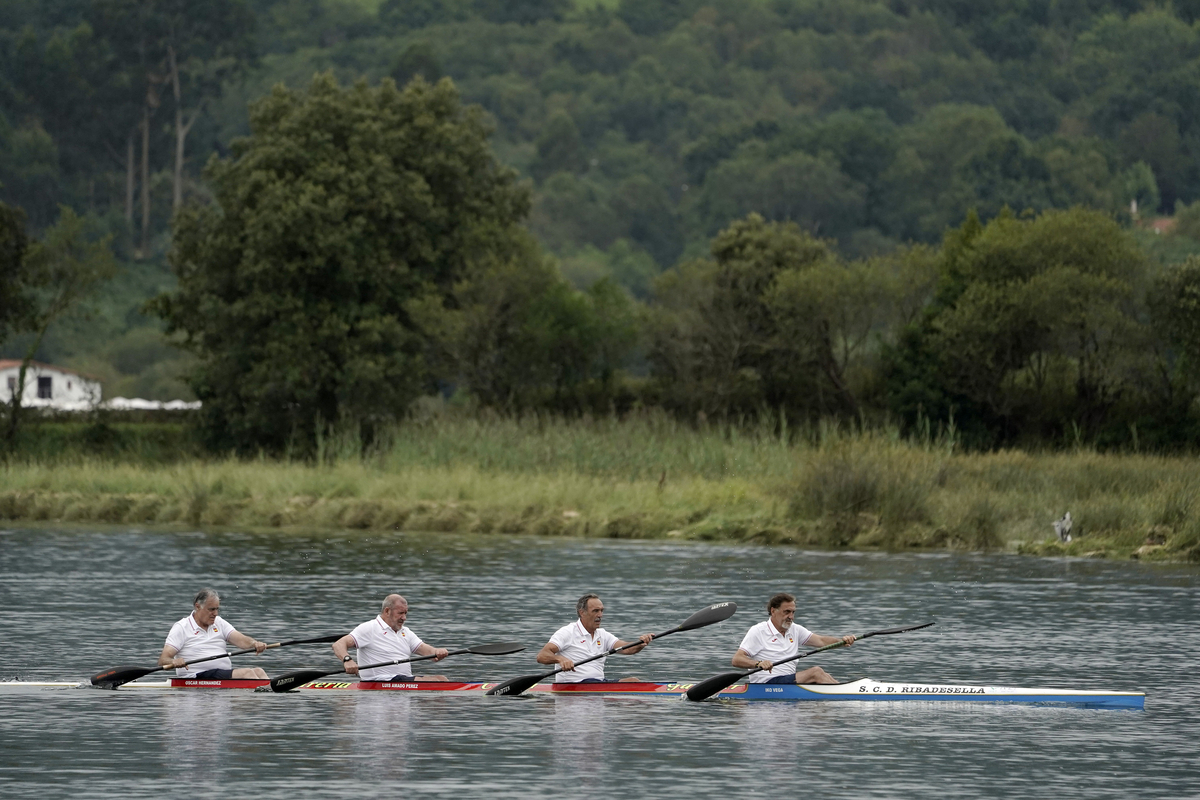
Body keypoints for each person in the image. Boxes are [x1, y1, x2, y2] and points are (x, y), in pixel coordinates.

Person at [732, 593, 856, 685]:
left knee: (824, 675)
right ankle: (847, 692)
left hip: (789, 681)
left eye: (793, 612)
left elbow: (821, 641)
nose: (791, 617)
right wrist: (758, 663)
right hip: (766, 683)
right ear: (773, 611)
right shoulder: (758, 631)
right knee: (816, 672)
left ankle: (845, 690)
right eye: (787, 612)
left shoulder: (795, 629)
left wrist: (842, 641)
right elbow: (737, 659)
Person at [536, 593, 654, 683]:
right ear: (582, 613)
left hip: (598, 684)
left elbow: (628, 649)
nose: (600, 615)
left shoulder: (603, 635)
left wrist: (640, 643)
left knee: (633, 682)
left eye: (602, 611)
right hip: (574, 685)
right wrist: (560, 660)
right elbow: (542, 656)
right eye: (595, 611)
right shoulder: (567, 632)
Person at [333, 594, 450, 682]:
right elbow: (338, 644)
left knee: (442, 679)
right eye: (400, 613)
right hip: (379, 681)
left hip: (403, 682)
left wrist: (437, 652)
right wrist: (347, 660)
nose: (404, 618)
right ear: (387, 611)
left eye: (406, 613)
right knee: (435, 682)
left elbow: (430, 653)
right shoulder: (370, 628)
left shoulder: (405, 632)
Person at [159, 588, 268, 679]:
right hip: (196, 676)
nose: (215, 614)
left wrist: (254, 643)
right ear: (198, 606)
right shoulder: (181, 627)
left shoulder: (219, 622)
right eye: (211, 609)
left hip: (221, 675)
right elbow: (163, 659)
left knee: (259, 671)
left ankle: (269, 697)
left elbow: (240, 640)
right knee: (247, 673)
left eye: (217, 609)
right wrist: (174, 662)